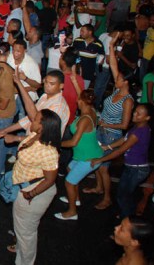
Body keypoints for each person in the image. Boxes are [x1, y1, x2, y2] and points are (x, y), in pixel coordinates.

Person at [3, 105, 62, 264]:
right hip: (24, 186)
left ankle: (25, 261)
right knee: (21, 227)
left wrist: (31, 194)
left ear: (42, 126)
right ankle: (20, 249)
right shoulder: (36, 135)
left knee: (26, 232)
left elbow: (50, 180)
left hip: (34, 192)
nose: (32, 120)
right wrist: (15, 139)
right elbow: (27, 140)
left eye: (35, 119)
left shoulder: (48, 151)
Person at [85, 33, 135, 210]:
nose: (116, 79)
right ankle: (98, 187)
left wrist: (105, 124)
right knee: (97, 164)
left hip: (111, 136)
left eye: (119, 78)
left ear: (126, 82)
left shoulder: (127, 100)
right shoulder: (117, 90)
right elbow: (113, 64)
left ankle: (107, 198)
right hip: (102, 131)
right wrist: (112, 46)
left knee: (103, 167)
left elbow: (124, 125)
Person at [91, 104, 153, 218]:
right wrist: (107, 147)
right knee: (123, 193)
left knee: (124, 196)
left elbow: (120, 151)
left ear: (147, 118)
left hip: (137, 169)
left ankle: (128, 220)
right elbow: (123, 139)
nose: (134, 114)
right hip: (132, 167)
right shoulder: (138, 127)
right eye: (135, 111)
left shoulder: (138, 132)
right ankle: (127, 215)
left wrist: (100, 160)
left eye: (139, 114)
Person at [55, 90, 102, 221]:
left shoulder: (85, 119)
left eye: (77, 99)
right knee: (70, 168)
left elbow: (73, 142)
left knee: (69, 182)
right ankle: (75, 198)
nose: (76, 100)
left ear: (80, 101)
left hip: (89, 158)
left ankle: (72, 212)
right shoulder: (92, 111)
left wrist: (56, 143)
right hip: (83, 155)